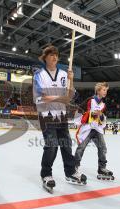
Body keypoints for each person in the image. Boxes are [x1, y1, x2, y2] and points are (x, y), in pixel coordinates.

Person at [33, 45, 87, 193]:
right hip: (46, 115)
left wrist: (71, 80)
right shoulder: (39, 74)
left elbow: (70, 95)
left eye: (56, 55)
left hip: (61, 114)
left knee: (66, 144)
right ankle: (46, 174)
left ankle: (70, 172)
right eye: (51, 55)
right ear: (45, 58)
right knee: (51, 145)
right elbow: (41, 97)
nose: (54, 57)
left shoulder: (64, 74)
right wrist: (60, 97)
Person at [75, 82, 114, 180]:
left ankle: (102, 168)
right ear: (98, 90)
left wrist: (100, 115)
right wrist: (88, 114)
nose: (105, 92)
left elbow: (103, 117)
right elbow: (79, 110)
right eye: (104, 90)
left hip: (97, 129)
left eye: (106, 90)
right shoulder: (90, 100)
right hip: (87, 129)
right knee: (81, 148)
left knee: (102, 148)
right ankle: (74, 167)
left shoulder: (103, 105)